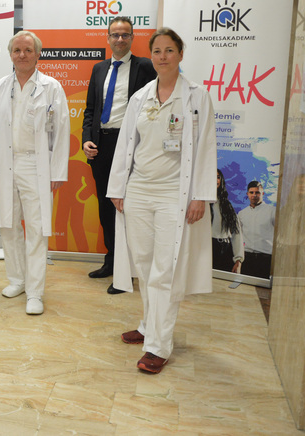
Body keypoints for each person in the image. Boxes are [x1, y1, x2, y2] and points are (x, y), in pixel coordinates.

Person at [108, 27, 216, 374]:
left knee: (164, 270)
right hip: (139, 191)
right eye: (157, 51)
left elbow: (206, 148)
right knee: (143, 264)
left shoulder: (197, 97)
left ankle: (158, 345)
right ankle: (147, 325)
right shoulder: (140, 97)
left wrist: (200, 195)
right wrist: (118, 188)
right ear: (150, 56)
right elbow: (127, 144)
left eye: (170, 50)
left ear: (181, 54)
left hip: (174, 194)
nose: (163, 57)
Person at [0, 30, 70, 315]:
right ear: (10, 54)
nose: (22, 55)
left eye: (28, 50)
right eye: (17, 50)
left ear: (38, 54)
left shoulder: (51, 87)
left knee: (37, 228)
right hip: (6, 162)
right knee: (8, 225)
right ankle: (17, 279)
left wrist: (57, 171)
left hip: (35, 164)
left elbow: (62, 130)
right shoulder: (0, 87)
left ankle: (35, 291)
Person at [82, 16, 156, 294]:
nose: (120, 39)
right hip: (101, 146)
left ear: (133, 38)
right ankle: (111, 261)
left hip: (130, 147)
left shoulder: (145, 67)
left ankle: (129, 272)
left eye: (125, 35)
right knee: (105, 207)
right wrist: (87, 139)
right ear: (108, 38)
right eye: (115, 35)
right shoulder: (99, 68)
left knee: (127, 208)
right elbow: (90, 109)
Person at [237, 180, 275, 278]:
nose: (254, 195)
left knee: (264, 286)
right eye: (251, 192)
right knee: (245, 285)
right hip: (247, 258)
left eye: (257, 192)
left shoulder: (273, 211)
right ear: (247, 194)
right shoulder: (242, 214)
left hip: (266, 259)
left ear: (263, 194)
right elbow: (239, 237)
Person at [211, 169, 244, 274]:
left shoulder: (227, 206)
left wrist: (238, 259)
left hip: (225, 251)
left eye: (218, 177)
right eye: (212, 177)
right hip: (206, 249)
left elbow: (236, 233)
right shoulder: (201, 204)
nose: (216, 180)